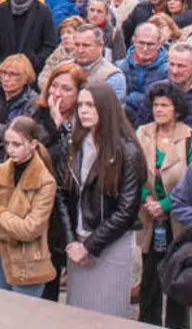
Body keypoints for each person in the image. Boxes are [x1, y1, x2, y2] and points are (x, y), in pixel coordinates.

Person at [58, 80, 146, 317]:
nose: (83, 110)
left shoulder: (127, 152)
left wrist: (90, 246)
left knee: (105, 315)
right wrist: (72, 242)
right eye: (80, 105)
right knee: (77, 315)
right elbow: (63, 196)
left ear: (106, 108)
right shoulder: (75, 146)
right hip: (77, 243)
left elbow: (127, 210)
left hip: (110, 245)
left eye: (91, 105)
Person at [136, 83, 192, 328]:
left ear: (177, 110)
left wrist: (165, 204)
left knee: (177, 278)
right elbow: (135, 172)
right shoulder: (142, 133)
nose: (159, 109)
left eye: (165, 105)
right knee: (149, 279)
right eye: (156, 105)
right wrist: (148, 200)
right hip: (149, 217)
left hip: (178, 219)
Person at [0, 115, 58, 297]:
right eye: (7, 144)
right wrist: (12, 233)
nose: (10, 150)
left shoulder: (46, 182)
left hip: (27, 264)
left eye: (17, 144)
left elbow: (30, 229)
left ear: (33, 144)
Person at [31, 62, 85, 301]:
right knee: (47, 268)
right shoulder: (40, 114)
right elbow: (38, 149)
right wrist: (55, 124)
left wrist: (63, 128)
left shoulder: (86, 119)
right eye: (54, 86)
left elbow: (74, 159)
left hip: (76, 201)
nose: (57, 94)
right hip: (46, 199)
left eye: (66, 89)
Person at [120, 22, 170, 124]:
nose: (145, 48)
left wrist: (133, 98)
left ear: (159, 43)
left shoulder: (168, 69)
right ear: (134, 41)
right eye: (141, 43)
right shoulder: (121, 66)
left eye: (150, 44)